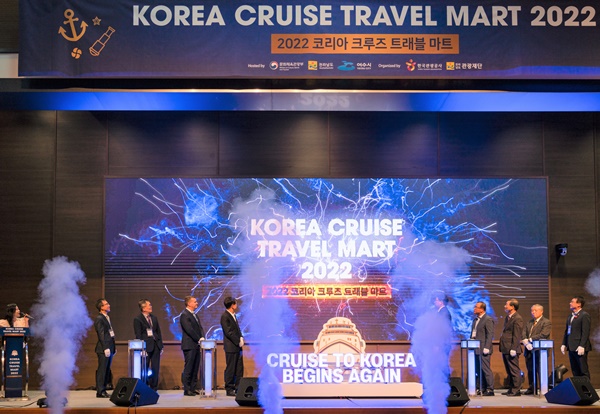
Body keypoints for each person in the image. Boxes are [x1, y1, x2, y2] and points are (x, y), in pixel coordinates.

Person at [133, 299, 163, 391]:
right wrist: (142, 348)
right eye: (149, 305)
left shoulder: (154, 318)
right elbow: (138, 335)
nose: (151, 306)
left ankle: (154, 388)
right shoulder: (138, 319)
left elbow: (158, 332)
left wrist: (161, 346)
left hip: (156, 346)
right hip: (146, 347)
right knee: (144, 368)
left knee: (155, 367)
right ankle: (144, 387)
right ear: (143, 308)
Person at [521, 304, 551, 395]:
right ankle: (532, 388)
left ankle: (543, 388)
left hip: (540, 350)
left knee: (540, 369)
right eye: (532, 310)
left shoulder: (546, 322)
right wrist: (525, 341)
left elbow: (544, 334)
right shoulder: (530, 322)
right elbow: (524, 332)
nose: (533, 312)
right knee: (530, 369)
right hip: (529, 349)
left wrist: (530, 339)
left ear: (541, 311)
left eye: (535, 310)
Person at [561, 296, 592, 379]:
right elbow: (567, 331)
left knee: (583, 370)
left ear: (579, 304)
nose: (570, 303)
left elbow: (585, 332)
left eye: (572, 302)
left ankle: (586, 387)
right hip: (571, 346)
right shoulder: (570, 316)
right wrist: (564, 344)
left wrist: (582, 345)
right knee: (575, 370)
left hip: (579, 347)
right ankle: (578, 387)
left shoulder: (584, 315)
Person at [180, 295, 205, 396]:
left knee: (195, 367)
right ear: (189, 303)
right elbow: (189, 330)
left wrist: (202, 337)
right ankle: (187, 389)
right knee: (189, 367)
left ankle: (193, 388)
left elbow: (200, 328)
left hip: (196, 345)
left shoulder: (195, 315)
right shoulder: (184, 315)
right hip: (189, 345)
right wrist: (199, 338)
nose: (196, 303)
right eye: (194, 302)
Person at [220, 297, 244, 397]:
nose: (237, 305)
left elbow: (237, 330)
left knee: (239, 368)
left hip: (237, 346)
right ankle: (229, 388)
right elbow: (228, 332)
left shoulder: (233, 315)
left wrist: (241, 337)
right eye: (235, 303)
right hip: (231, 346)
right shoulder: (225, 316)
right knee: (231, 368)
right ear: (232, 305)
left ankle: (238, 388)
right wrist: (237, 341)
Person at [500, 298, 524, 396]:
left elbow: (517, 335)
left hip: (512, 348)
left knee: (514, 370)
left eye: (507, 304)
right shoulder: (508, 317)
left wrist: (514, 348)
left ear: (512, 307)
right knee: (509, 370)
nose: (505, 306)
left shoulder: (517, 318)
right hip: (506, 347)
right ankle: (511, 388)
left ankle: (516, 390)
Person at [470, 301, 495, 396]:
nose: (474, 308)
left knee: (485, 369)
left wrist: (487, 347)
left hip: (484, 348)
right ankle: (482, 387)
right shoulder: (475, 320)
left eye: (476, 307)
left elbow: (490, 334)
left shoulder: (488, 319)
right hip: (475, 348)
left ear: (482, 309)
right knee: (478, 369)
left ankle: (490, 389)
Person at [94, 298, 116, 398]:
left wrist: (113, 347)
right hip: (103, 349)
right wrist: (105, 347)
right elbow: (101, 334)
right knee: (102, 370)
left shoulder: (106, 317)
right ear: (101, 307)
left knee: (106, 370)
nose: (109, 305)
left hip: (109, 347)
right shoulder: (99, 318)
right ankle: (100, 391)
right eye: (106, 304)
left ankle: (103, 390)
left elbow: (110, 334)